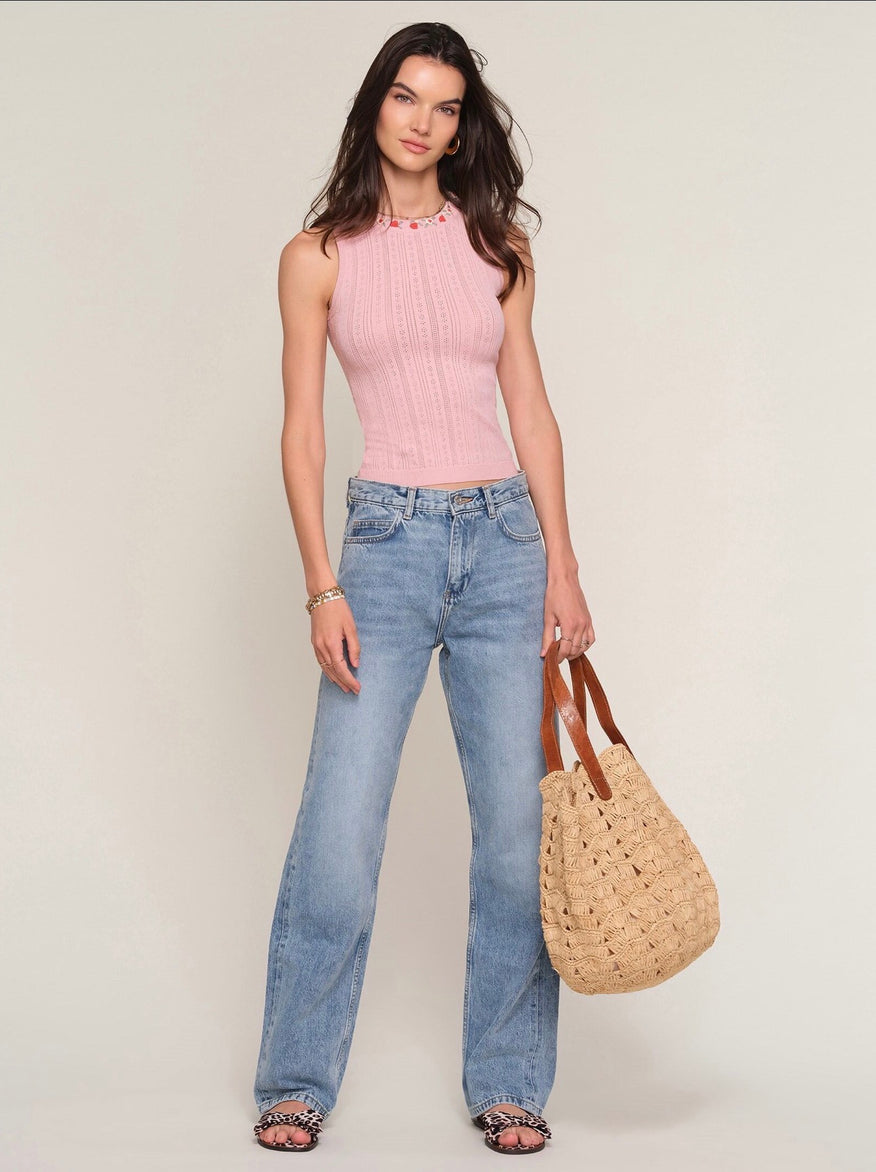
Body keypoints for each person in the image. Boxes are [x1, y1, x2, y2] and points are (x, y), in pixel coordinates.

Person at [252, 21, 594, 1157]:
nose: (423, 121)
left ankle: (509, 1080)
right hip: (385, 546)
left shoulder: (498, 247)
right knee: (340, 830)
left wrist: (563, 565)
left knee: (515, 836)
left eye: (446, 107)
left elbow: (530, 409)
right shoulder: (318, 256)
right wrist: (321, 584)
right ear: (375, 105)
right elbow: (304, 432)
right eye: (406, 97)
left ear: (462, 128)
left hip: (504, 544)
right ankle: (295, 1078)